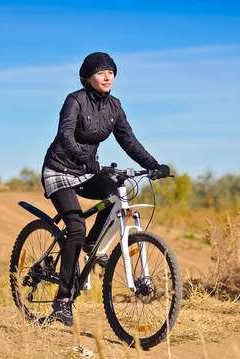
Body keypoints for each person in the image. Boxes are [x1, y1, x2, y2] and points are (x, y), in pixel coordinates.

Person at [41, 52, 170, 326]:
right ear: (87, 77)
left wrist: (153, 164)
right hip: (60, 171)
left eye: (111, 72)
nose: (107, 76)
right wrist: (82, 157)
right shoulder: (74, 100)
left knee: (116, 194)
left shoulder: (114, 106)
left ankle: (91, 243)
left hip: (88, 171)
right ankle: (63, 300)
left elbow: (128, 140)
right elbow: (65, 134)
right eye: (101, 72)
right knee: (75, 227)